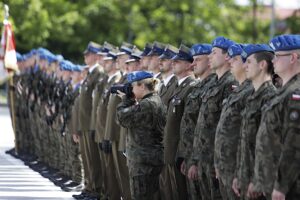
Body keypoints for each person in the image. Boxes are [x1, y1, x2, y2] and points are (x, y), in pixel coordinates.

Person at [252, 34, 300, 200]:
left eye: (278, 56)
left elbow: (293, 144)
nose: (273, 61)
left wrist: (281, 186)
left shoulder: (296, 94)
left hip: (288, 188)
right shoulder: (284, 91)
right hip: (270, 183)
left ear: (293, 57)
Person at [231, 44, 276, 200]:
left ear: (262, 65)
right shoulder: (252, 96)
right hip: (245, 177)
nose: (245, 66)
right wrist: (239, 174)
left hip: (258, 183)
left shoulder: (269, 96)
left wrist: (257, 179)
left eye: (249, 62)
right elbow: (243, 140)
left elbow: (267, 144)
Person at [116, 71, 166, 200]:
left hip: (144, 163)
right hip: (147, 160)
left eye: (133, 87)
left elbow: (122, 117)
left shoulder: (148, 104)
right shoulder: (153, 100)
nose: (131, 90)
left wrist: (126, 99)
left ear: (142, 86)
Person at [214, 43, 254, 200]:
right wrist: (219, 162)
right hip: (226, 166)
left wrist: (241, 171)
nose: (230, 62)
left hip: (238, 169)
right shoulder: (238, 91)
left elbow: (247, 136)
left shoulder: (250, 91)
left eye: (235, 59)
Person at [179, 43, 216, 200]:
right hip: (192, 157)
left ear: (209, 62)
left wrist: (194, 160)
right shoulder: (199, 86)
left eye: (198, 60)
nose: (193, 64)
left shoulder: (216, 85)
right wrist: (186, 157)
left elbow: (210, 128)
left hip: (205, 160)